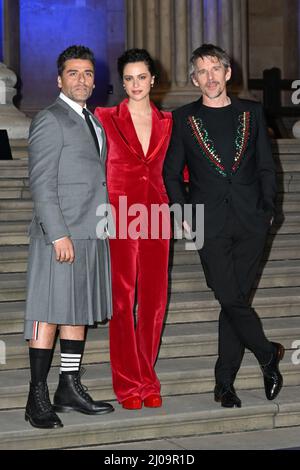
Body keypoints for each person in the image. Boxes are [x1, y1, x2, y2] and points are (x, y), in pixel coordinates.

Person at [163, 44, 284, 408]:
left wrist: (268, 209)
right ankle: (267, 354)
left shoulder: (252, 112)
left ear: (228, 73)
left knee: (235, 303)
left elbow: (266, 165)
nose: (210, 77)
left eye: (216, 69)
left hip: (251, 220)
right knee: (228, 295)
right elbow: (170, 173)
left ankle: (224, 384)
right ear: (194, 79)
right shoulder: (184, 118)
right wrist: (181, 210)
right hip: (207, 221)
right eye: (202, 71)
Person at [24, 45, 114, 429]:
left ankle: (69, 386)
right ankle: (36, 396)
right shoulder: (50, 119)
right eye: (74, 73)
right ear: (59, 80)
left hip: (91, 232)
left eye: (88, 73)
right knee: (49, 311)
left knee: (77, 311)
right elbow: (41, 184)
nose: (82, 79)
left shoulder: (92, 121)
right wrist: (57, 234)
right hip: (59, 235)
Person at [94, 49, 172, 410]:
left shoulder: (169, 122)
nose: (136, 84)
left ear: (153, 79)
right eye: (129, 78)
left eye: (142, 77)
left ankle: (147, 377)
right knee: (123, 302)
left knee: (155, 301)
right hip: (118, 215)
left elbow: (179, 171)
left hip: (156, 216)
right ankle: (128, 384)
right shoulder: (105, 117)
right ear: (121, 82)